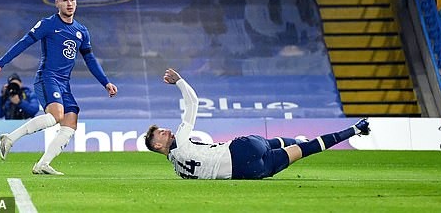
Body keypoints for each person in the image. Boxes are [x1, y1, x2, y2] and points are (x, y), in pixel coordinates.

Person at [144, 68, 370, 179]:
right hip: (242, 149)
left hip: (249, 171)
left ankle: (354, 130)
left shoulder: (179, 172)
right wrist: (180, 81)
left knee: (303, 151)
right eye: (161, 134)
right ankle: (352, 128)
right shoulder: (181, 140)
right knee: (274, 143)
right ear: (156, 146)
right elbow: (192, 102)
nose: (167, 131)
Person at [0, 0, 118, 175]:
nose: (69, 4)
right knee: (56, 116)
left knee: (70, 122)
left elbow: (90, 59)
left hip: (64, 83)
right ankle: (9, 138)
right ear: (57, 3)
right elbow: (24, 42)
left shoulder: (81, 31)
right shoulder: (48, 24)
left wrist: (105, 82)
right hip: (47, 77)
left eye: (72, 0)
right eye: (65, 0)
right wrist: (1, 63)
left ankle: (42, 164)